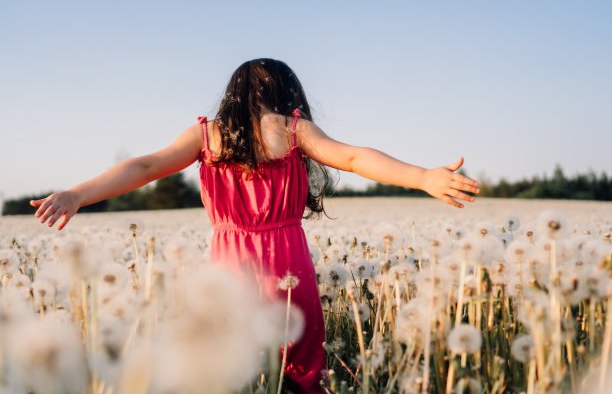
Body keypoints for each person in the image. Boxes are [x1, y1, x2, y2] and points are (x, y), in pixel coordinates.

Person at [31, 58, 480, 393]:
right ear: (289, 93)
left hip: (228, 270)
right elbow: (355, 158)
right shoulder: (293, 129)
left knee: (227, 367)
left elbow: (145, 166)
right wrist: (422, 177)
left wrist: (77, 194)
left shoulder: (206, 135)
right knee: (305, 370)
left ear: (231, 93)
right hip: (289, 265)